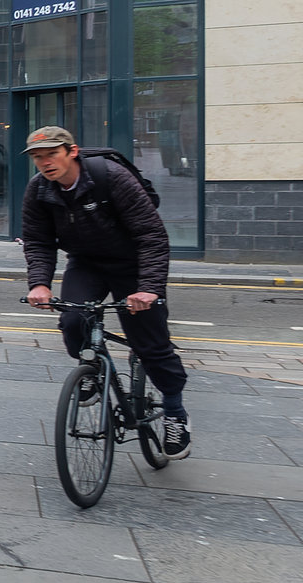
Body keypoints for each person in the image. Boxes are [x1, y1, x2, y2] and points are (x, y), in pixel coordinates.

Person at [20, 126, 189, 460]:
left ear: (72, 151)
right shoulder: (38, 189)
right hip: (86, 262)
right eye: (38, 157)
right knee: (72, 323)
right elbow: (38, 241)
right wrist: (39, 283)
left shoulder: (110, 177)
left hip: (133, 263)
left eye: (51, 154)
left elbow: (151, 235)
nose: (45, 163)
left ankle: (174, 413)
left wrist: (148, 289)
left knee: (151, 344)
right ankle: (93, 372)